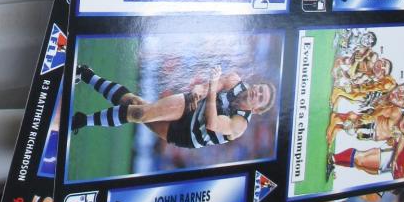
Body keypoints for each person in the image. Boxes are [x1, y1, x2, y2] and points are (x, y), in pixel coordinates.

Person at [71, 64, 276, 150]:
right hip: (189, 106)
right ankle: (81, 120)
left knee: (135, 106)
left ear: (256, 110)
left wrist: (212, 87)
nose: (256, 93)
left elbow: (212, 123)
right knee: (140, 113)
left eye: (261, 98)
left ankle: (87, 74)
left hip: (188, 134)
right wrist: (198, 90)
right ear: (255, 84)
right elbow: (206, 87)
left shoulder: (240, 124)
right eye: (259, 89)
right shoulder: (234, 80)